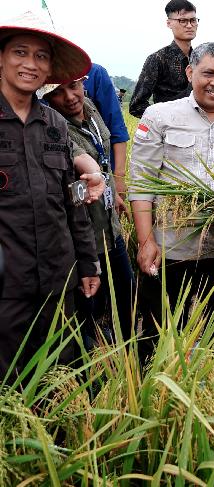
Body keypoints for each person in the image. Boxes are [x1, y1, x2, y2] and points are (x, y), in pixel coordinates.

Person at [130, 42, 214, 360]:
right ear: (191, 73)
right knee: (158, 333)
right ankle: (154, 395)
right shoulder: (160, 116)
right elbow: (140, 184)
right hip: (169, 249)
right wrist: (145, 240)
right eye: (208, 73)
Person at [0, 12, 102, 378]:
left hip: (60, 280)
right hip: (8, 286)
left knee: (59, 376)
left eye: (41, 56)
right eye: (20, 52)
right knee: (10, 384)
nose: (31, 64)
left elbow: (74, 202)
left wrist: (89, 262)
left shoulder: (56, 124)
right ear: (1, 57)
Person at [42, 77, 135, 348]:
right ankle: (95, 363)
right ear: (47, 98)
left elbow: (103, 154)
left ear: (83, 83)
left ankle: (131, 354)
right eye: (58, 92)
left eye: (73, 86)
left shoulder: (91, 108)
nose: (70, 97)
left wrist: (114, 190)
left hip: (109, 226)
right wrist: (98, 176)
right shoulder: (53, 126)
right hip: (83, 235)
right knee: (88, 306)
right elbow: (84, 162)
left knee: (127, 294)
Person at [129, 0, 198, 118]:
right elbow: (136, 106)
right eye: (183, 21)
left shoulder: (200, 59)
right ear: (169, 23)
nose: (189, 25)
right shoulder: (157, 59)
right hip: (171, 132)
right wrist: (167, 121)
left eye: (193, 20)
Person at [84, 63, 131, 217]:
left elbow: (116, 128)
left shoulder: (94, 73)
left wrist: (118, 178)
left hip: (102, 174)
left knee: (108, 229)